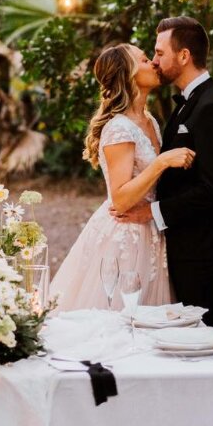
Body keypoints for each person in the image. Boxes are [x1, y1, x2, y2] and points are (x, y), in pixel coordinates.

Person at [113, 17, 213, 328]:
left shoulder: (212, 108)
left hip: (204, 249)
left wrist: (152, 212)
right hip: (185, 244)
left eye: (159, 53)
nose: (155, 61)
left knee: (206, 336)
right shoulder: (187, 105)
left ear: (184, 56)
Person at [50, 43, 195, 312]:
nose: (153, 62)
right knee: (119, 317)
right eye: (143, 60)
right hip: (125, 236)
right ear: (127, 74)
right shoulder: (119, 128)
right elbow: (121, 198)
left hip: (151, 228)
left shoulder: (149, 120)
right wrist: (162, 161)